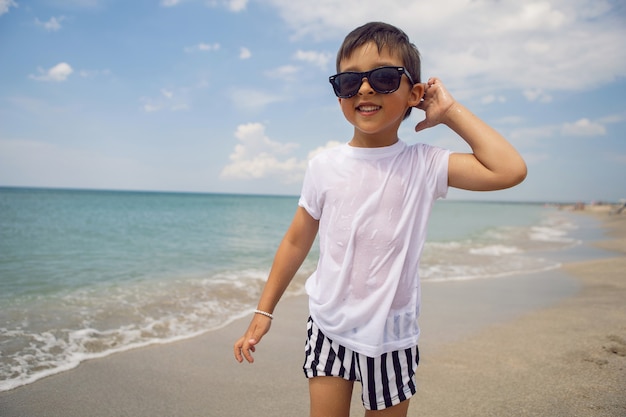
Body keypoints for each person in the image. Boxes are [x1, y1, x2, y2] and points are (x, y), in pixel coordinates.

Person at [234, 21, 527, 417]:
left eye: (385, 78)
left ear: (415, 94)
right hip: (328, 327)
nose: (365, 89)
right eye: (349, 81)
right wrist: (263, 311)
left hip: (392, 337)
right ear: (339, 92)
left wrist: (450, 112)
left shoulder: (424, 163)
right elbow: (295, 241)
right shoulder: (323, 167)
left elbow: (508, 169)